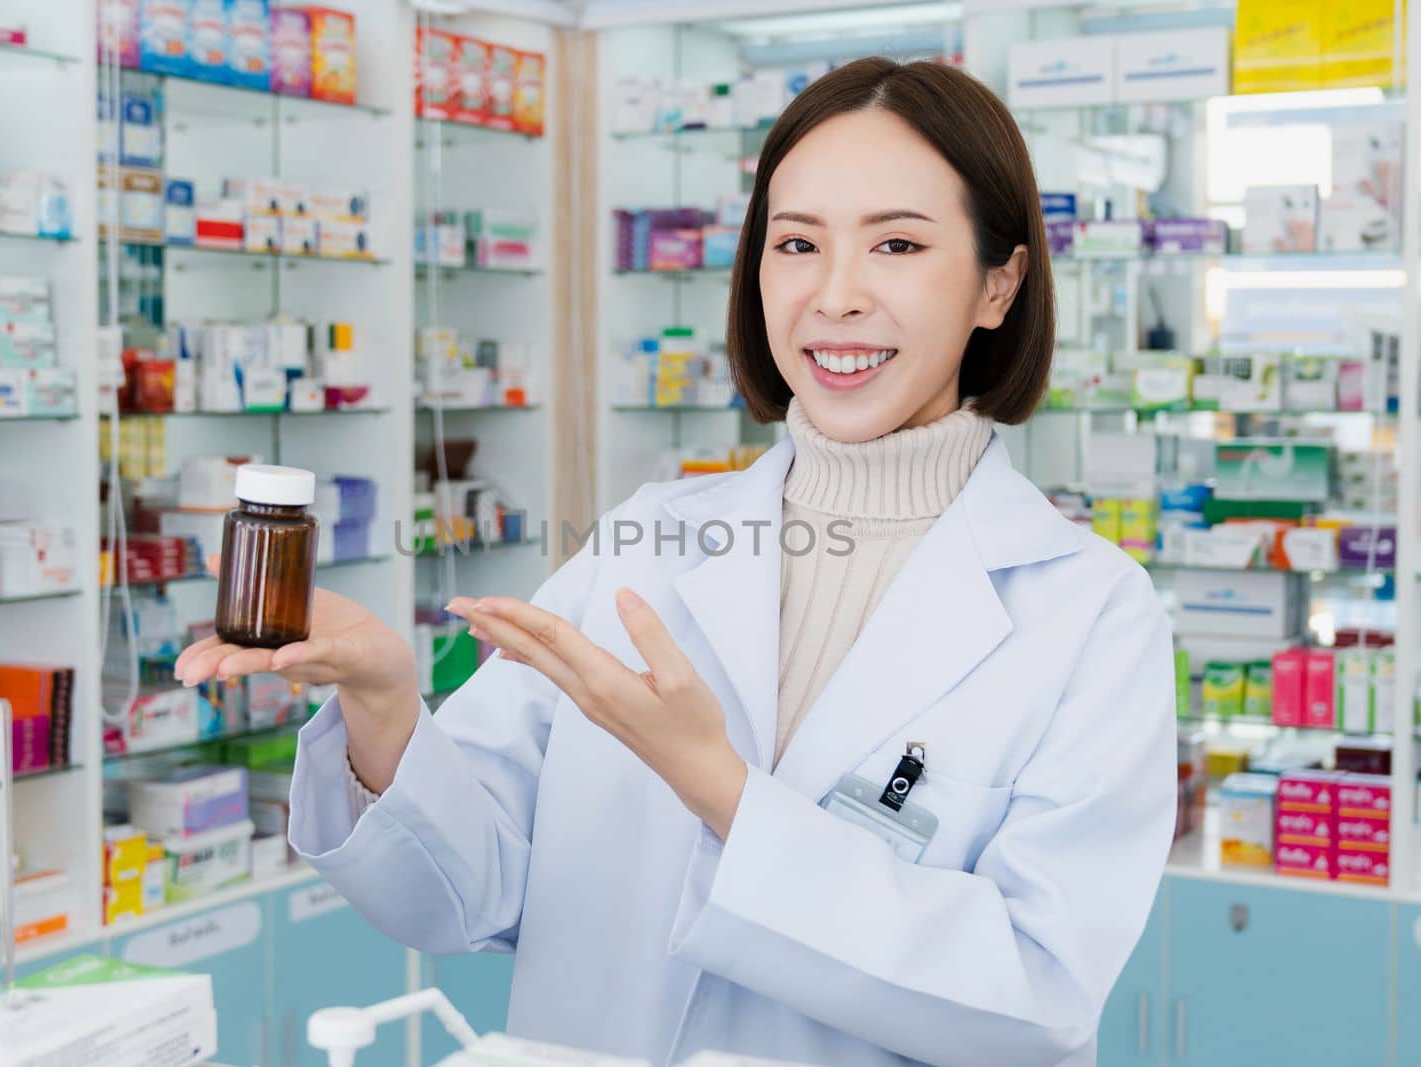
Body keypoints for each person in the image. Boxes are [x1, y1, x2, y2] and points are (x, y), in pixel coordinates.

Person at [175, 57, 1176, 1067]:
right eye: (796, 243)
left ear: (996, 284)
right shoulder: (650, 541)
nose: (834, 295)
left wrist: (719, 785)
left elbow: (1037, 995)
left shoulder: (1087, 613)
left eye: (898, 244)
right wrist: (384, 705)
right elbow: (454, 890)